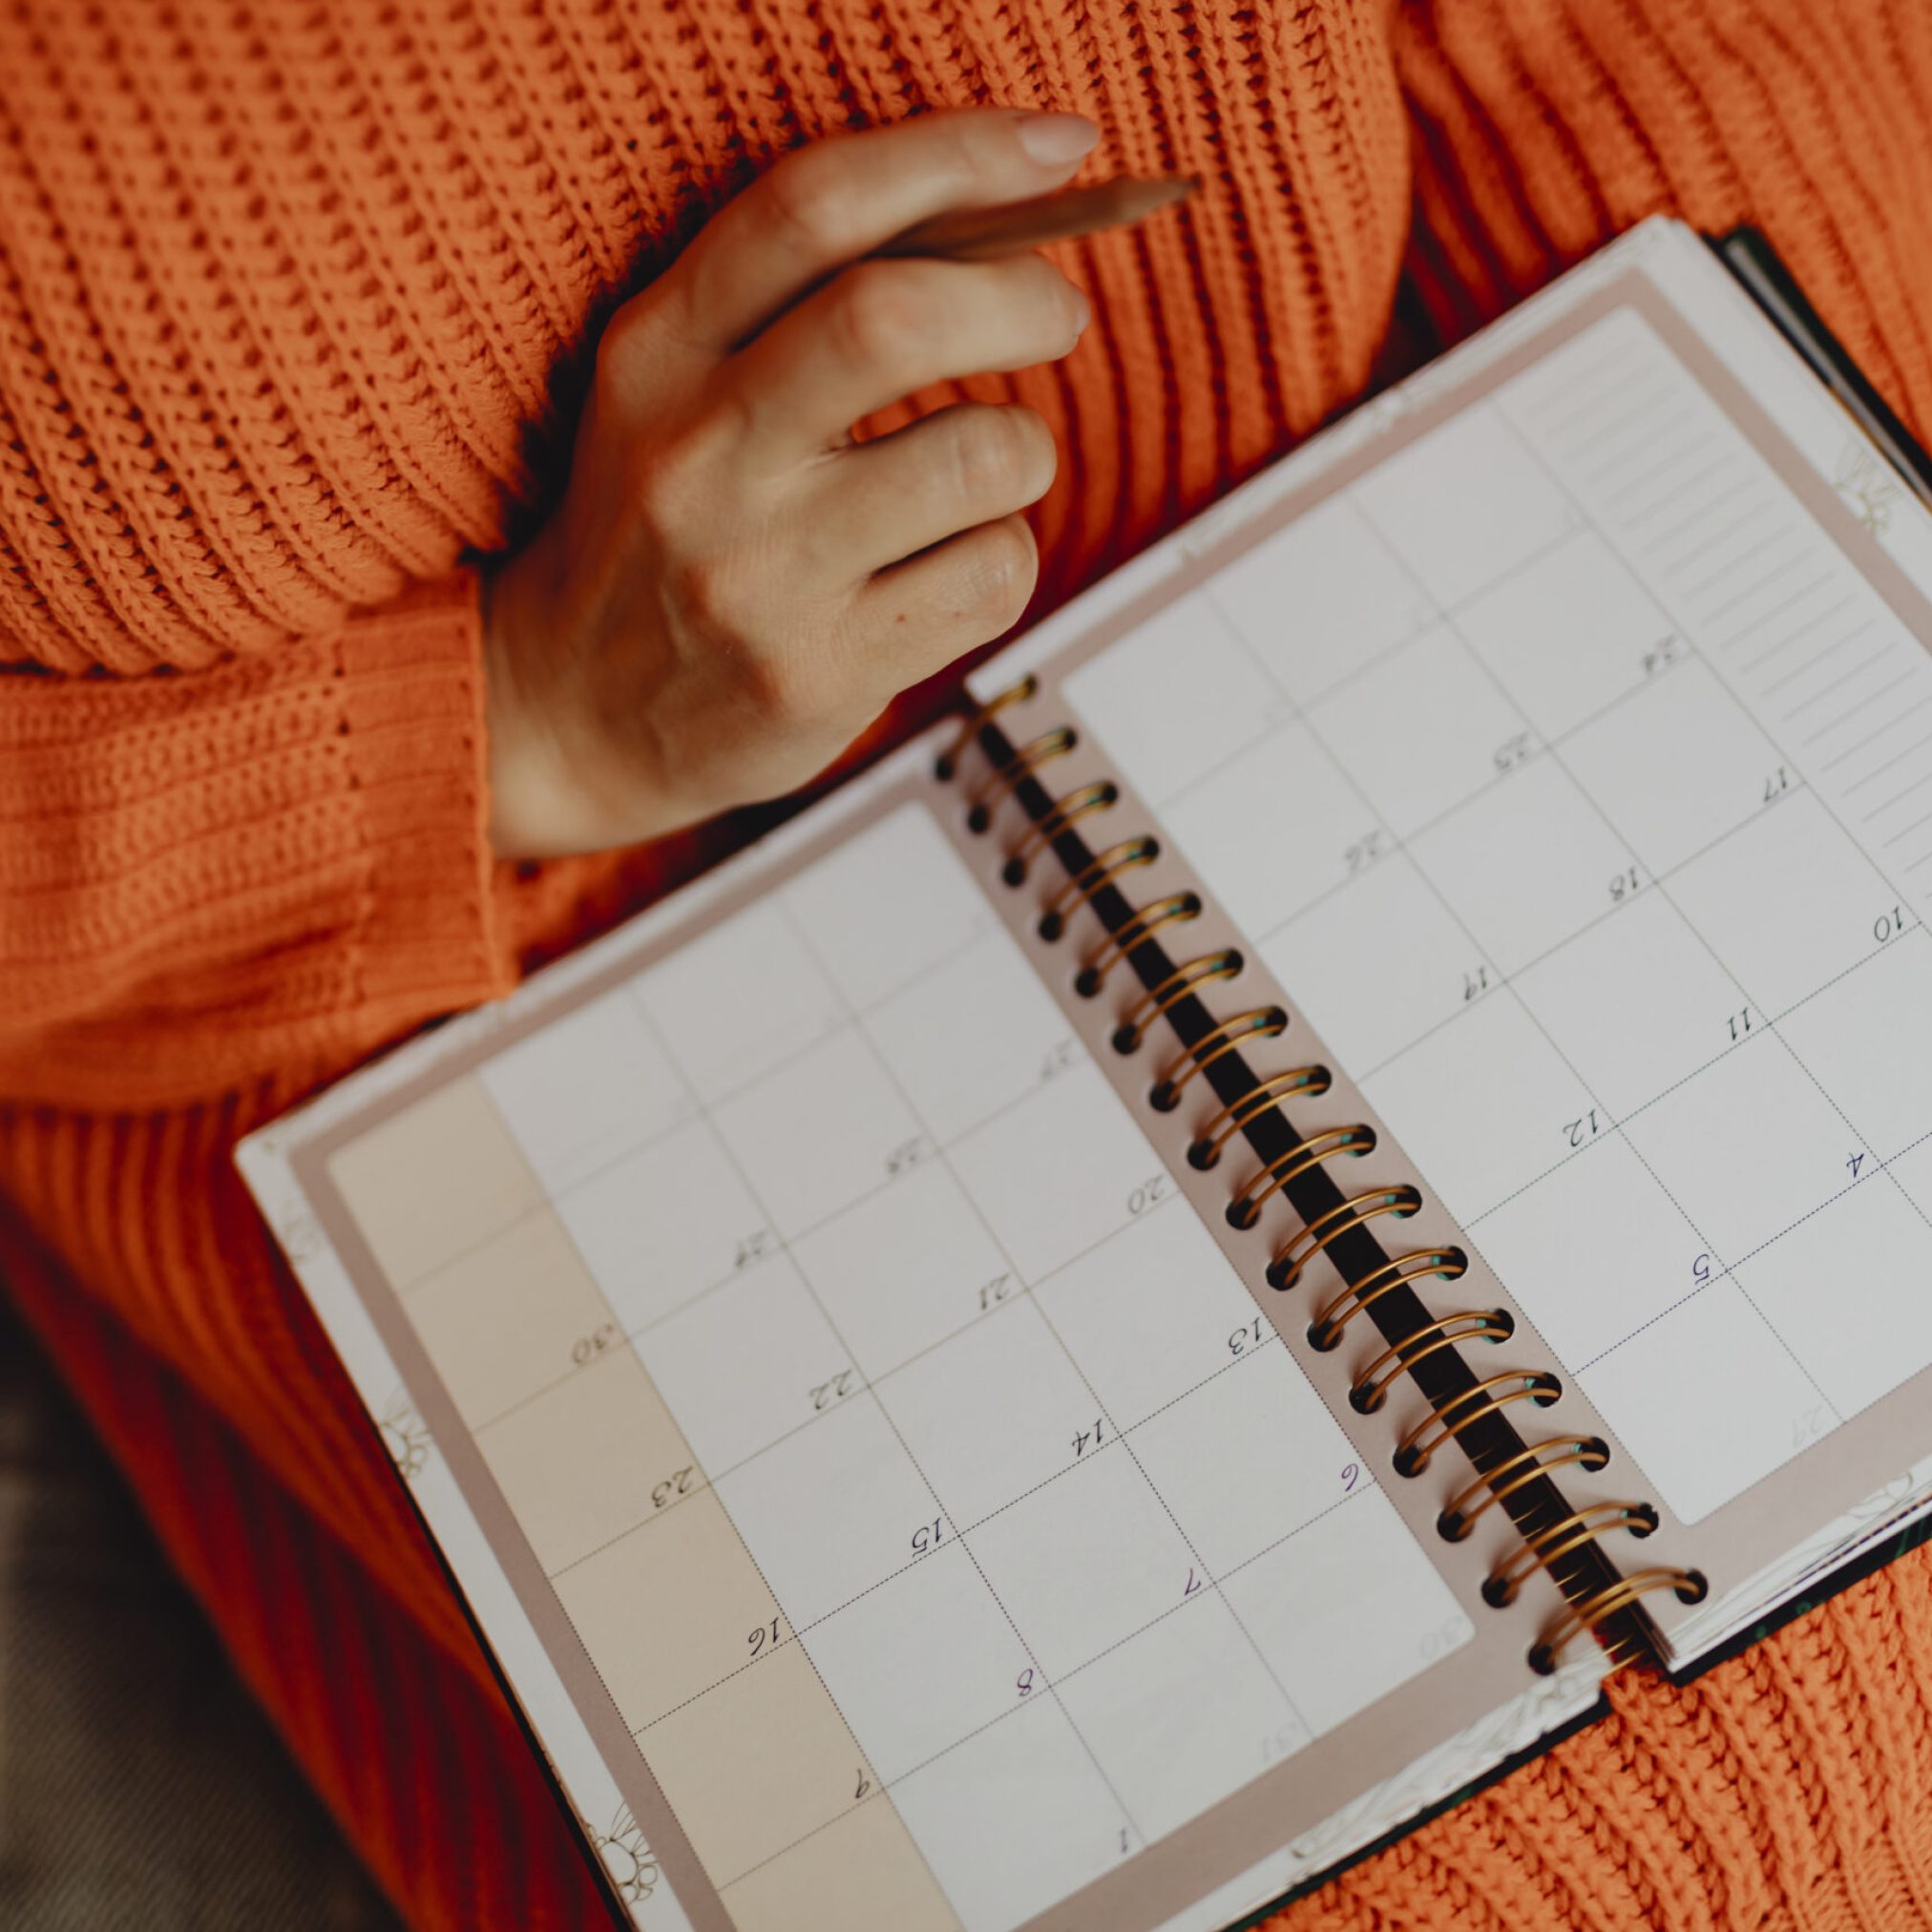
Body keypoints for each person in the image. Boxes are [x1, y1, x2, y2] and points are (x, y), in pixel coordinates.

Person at [4, 3, 1930, 1926]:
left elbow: (1657, 56)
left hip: (1411, 520)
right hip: (400, 964)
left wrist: (1779, 459)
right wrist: (506, 730)